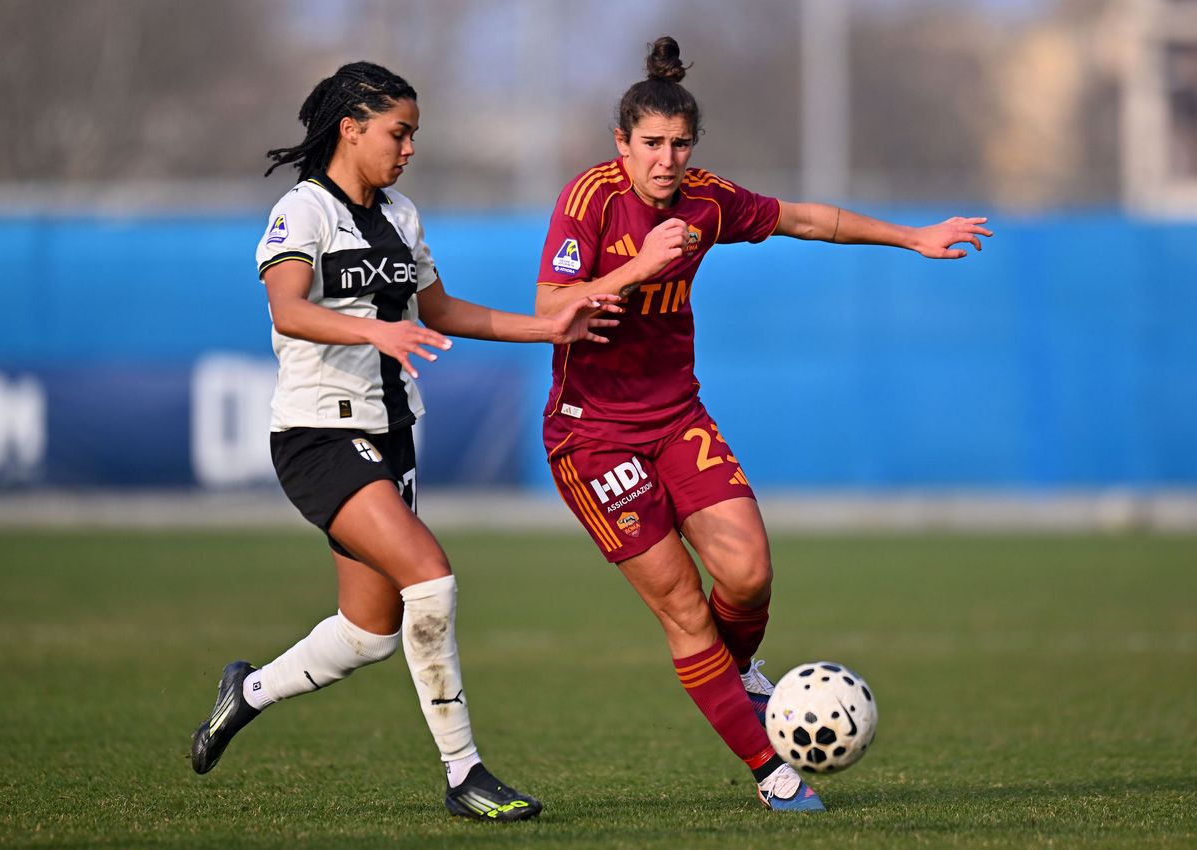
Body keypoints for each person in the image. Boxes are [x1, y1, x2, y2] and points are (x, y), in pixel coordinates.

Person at [533, 37, 992, 812]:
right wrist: (639, 266)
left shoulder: (707, 200)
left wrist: (911, 237)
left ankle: (732, 670)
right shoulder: (589, 202)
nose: (666, 160)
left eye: (680, 145)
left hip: (676, 415)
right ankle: (770, 770)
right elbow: (550, 313)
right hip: (593, 434)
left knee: (747, 573)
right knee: (682, 604)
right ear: (621, 144)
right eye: (651, 144)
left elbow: (807, 219)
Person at [189, 61, 621, 823]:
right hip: (319, 435)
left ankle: (245, 692)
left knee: (367, 634)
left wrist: (549, 326)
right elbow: (287, 309)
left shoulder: (402, 215)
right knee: (431, 577)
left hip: (392, 436)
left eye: (413, 133)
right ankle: (464, 774)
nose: (409, 147)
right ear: (351, 128)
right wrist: (373, 329)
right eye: (399, 131)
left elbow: (442, 309)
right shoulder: (302, 212)